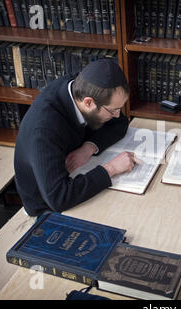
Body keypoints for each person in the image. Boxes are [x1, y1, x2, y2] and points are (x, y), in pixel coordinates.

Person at [14, 59, 138, 217]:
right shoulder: (43, 131)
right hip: (47, 209)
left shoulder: (82, 86)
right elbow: (59, 198)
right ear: (88, 102)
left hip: (75, 174)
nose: (117, 115)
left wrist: (89, 147)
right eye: (113, 110)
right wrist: (111, 168)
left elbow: (119, 123)